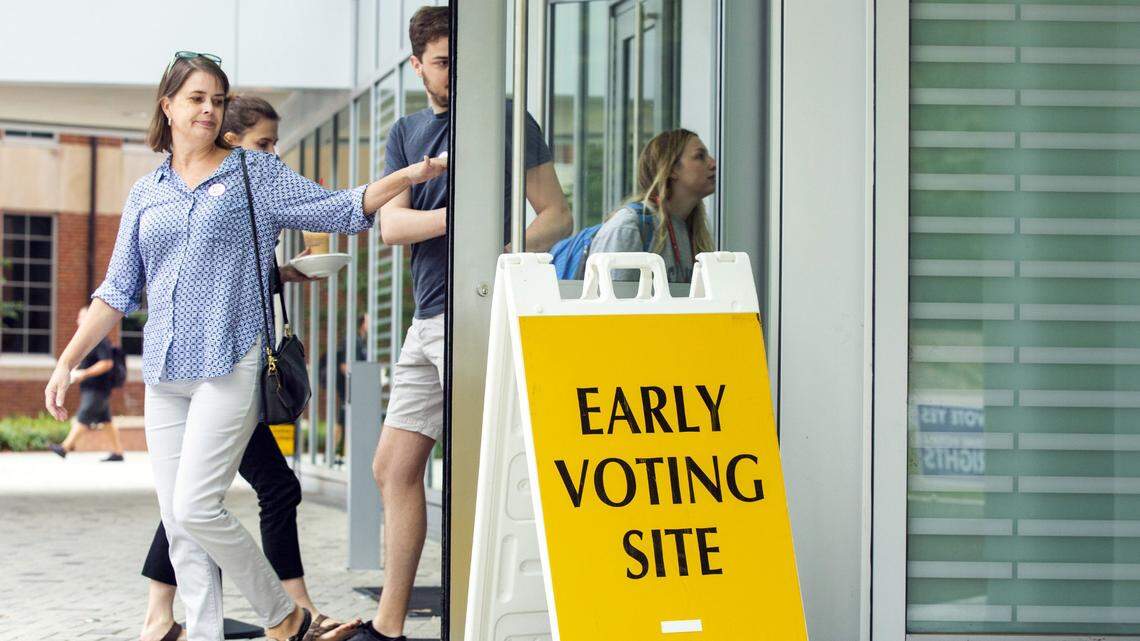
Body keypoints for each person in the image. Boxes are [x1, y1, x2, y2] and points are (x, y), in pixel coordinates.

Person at [44, 52, 445, 641]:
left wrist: (406, 179)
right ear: (168, 107)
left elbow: (338, 207)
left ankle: (284, 616)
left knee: (197, 506)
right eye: (196, 99)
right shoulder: (146, 192)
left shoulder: (251, 173)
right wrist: (66, 361)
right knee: (181, 527)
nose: (208, 109)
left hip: (230, 362)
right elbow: (116, 290)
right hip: (164, 371)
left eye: (217, 99)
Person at [347, 7, 571, 641]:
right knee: (392, 467)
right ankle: (389, 627)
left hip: (477, 311)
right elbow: (390, 226)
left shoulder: (507, 120)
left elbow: (554, 214)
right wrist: (465, 221)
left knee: (482, 469)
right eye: (443, 62)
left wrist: (501, 255)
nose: (456, 73)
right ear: (418, 66)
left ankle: (487, 619)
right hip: (428, 318)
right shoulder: (407, 132)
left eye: (463, 60)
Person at [135, 95, 344, 641]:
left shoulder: (251, 187)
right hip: (215, 369)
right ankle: (293, 614)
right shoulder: (202, 188)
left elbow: (237, 270)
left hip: (231, 365)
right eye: (264, 144)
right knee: (218, 494)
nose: (273, 155)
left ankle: (165, 617)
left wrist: (285, 272)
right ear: (230, 142)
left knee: (192, 494)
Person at [589, 129, 717, 283]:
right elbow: (608, 303)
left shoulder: (691, 231)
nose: (713, 163)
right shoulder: (628, 227)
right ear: (671, 169)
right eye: (699, 156)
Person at [49, 305, 126, 462]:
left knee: (83, 416)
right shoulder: (89, 341)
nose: (78, 320)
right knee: (106, 421)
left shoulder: (100, 339)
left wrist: (84, 373)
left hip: (97, 387)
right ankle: (118, 452)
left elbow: (106, 363)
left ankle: (65, 447)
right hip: (92, 387)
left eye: (81, 317)